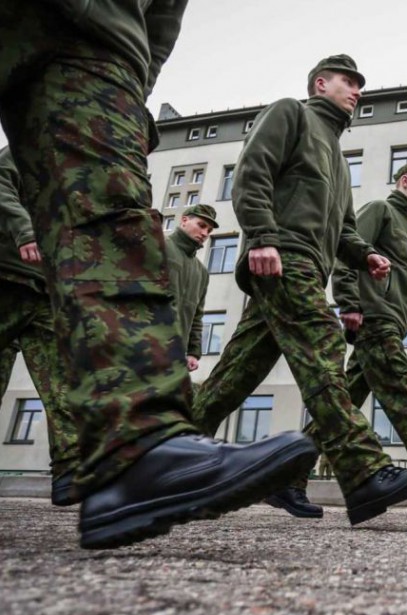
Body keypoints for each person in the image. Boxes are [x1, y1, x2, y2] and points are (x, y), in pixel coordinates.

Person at [0, 1, 318, 549]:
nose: (202, 230)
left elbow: (161, 20)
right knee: (114, 221)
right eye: (198, 220)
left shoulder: (192, 268)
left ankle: (138, 448)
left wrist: (130, 70)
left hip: (102, 53)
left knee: (115, 219)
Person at [191, 55, 407, 525]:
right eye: (349, 82)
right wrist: (262, 236)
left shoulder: (340, 164)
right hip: (283, 257)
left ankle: (160, 460)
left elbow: (343, 230)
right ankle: (363, 473)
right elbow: (251, 174)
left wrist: (366, 255)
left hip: (308, 267)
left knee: (234, 377)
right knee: (324, 346)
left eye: (361, 85)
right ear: (320, 84)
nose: (357, 91)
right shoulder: (291, 114)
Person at [333, 160, 407, 516]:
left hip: (392, 322)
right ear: (405, 181)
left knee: (339, 407)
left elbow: (405, 285)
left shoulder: (405, 228)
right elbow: (347, 255)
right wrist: (349, 304)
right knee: (404, 389)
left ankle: (287, 476)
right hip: (374, 319)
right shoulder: (380, 210)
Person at [0, 146, 80, 506]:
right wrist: (24, 231)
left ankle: (69, 473)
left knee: (62, 382)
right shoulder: (28, 146)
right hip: (7, 275)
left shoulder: (82, 171)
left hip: (47, 291)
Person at [166, 204, 217, 373]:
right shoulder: (159, 247)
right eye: (201, 225)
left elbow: (197, 315)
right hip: (143, 346)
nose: (204, 234)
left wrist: (193, 352)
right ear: (184, 220)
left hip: (176, 357)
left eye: (209, 231)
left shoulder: (202, 272)